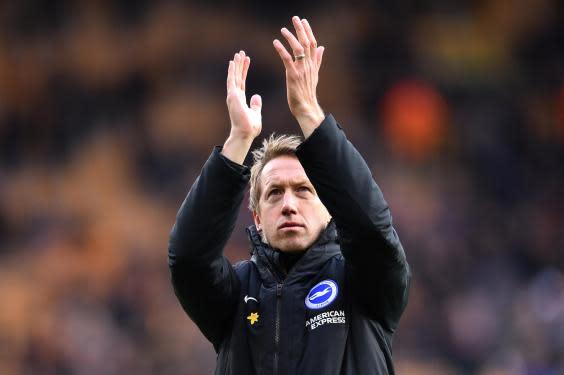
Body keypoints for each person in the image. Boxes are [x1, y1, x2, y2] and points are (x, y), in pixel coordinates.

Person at [168, 16, 410, 375]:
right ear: (257, 218)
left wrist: (310, 113)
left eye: (304, 191)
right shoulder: (234, 296)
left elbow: (374, 231)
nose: (289, 204)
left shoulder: (364, 284)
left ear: (331, 209)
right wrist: (238, 141)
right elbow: (187, 258)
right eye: (274, 194)